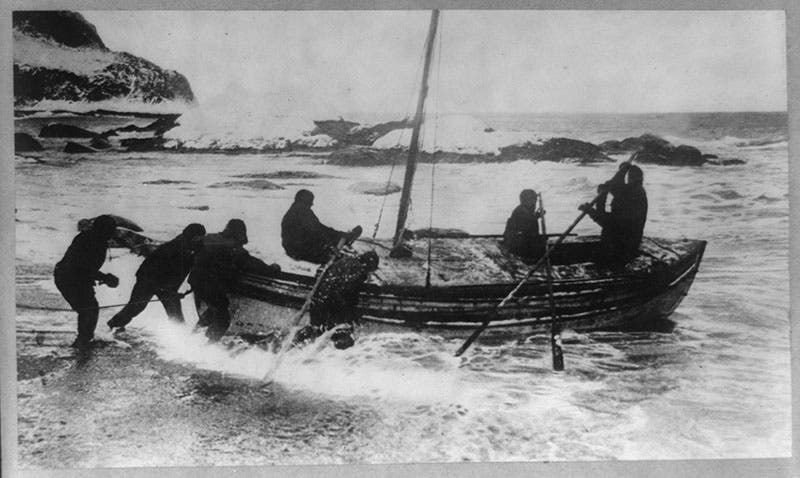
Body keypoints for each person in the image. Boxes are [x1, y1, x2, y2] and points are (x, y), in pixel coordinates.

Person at [189, 219, 281, 341]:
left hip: (196, 280)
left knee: (217, 307)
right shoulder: (232, 247)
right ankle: (206, 347)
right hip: (208, 283)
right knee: (223, 319)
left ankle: (193, 337)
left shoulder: (211, 239)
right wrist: (271, 269)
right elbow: (251, 263)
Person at [107, 223, 207, 330]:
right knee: (136, 307)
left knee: (175, 313)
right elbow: (160, 271)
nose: (200, 240)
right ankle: (114, 325)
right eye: (199, 238)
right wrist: (168, 290)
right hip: (148, 279)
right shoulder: (174, 247)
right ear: (192, 236)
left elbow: (191, 266)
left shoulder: (194, 246)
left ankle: (180, 336)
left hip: (167, 285)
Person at [53, 214, 119, 349]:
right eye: (111, 230)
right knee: (89, 309)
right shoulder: (90, 241)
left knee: (89, 309)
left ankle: (85, 338)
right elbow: (82, 266)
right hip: (68, 277)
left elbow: (87, 268)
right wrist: (105, 278)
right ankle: (83, 341)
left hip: (76, 277)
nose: (113, 233)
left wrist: (104, 277)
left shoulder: (96, 239)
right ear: (103, 229)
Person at [294, 250, 380, 350]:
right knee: (342, 335)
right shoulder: (359, 271)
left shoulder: (345, 260)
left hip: (318, 299)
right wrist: (351, 315)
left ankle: (293, 343)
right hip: (332, 304)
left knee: (315, 327)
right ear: (368, 265)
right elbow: (347, 291)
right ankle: (335, 356)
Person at [579, 163, 648, 268]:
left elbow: (609, 223)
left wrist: (593, 209)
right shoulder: (635, 192)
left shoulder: (632, 196)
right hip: (621, 244)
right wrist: (622, 171)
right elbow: (616, 186)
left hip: (621, 250)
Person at [281, 189, 362, 264]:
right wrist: (339, 236)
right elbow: (318, 230)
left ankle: (345, 239)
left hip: (295, 247)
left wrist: (337, 235)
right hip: (298, 249)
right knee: (340, 259)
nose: (312, 204)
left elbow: (317, 229)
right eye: (310, 202)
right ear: (305, 201)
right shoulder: (301, 212)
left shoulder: (297, 210)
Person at [503, 189, 546, 259]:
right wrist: (537, 216)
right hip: (517, 242)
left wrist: (537, 216)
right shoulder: (521, 210)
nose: (534, 203)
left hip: (522, 240)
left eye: (535, 201)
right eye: (532, 200)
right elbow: (526, 226)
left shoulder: (526, 211)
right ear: (525, 201)